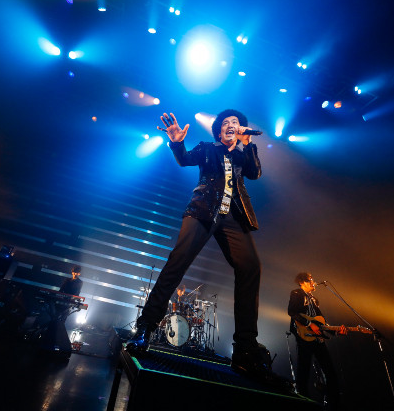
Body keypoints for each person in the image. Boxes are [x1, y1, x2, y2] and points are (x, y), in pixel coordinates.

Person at [126, 110, 276, 383]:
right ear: (218, 131)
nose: (231, 126)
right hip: (203, 210)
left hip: (233, 217)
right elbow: (185, 159)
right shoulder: (208, 148)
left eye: (235, 123)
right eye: (226, 124)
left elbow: (254, 173)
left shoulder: (242, 153)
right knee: (178, 262)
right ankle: (145, 327)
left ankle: (245, 348)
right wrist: (176, 143)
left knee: (251, 267)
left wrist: (247, 143)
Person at [288, 272, 346, 409]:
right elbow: (292, 312)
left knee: (330, 372)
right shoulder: (296, 293)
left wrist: (335, 331)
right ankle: (304, 403)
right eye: (309, 280)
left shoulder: (314, 299)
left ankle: (334, 404)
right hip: (304, 337)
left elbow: (321, 322)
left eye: (312, 279)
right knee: (304, 372)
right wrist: (309, 324)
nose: (313, 282)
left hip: (317, 338)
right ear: (302, 282)